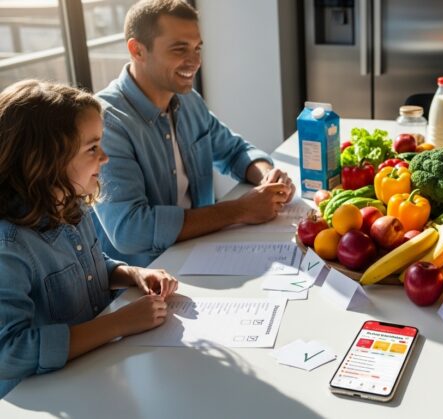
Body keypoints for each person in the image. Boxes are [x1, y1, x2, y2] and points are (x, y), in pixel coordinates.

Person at [0, 80, 179, 398]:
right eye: (92, 148)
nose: (105, 158)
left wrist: (132, 274)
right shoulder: (9, 246)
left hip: (95, 375)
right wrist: (118, 324)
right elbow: (9, 352)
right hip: (44, 396)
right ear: (46, 160)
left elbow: (89, 268)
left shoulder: (70, 206)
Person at [94, 0, 296, 267]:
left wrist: (268, 178)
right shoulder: (105, 123)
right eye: (180, 49)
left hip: (204, 252)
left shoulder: (188, 102)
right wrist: (241, 209)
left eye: (197, 48)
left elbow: (235, 150)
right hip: (149, 279)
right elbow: (130, 230)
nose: (195, 61)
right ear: (137, 50)